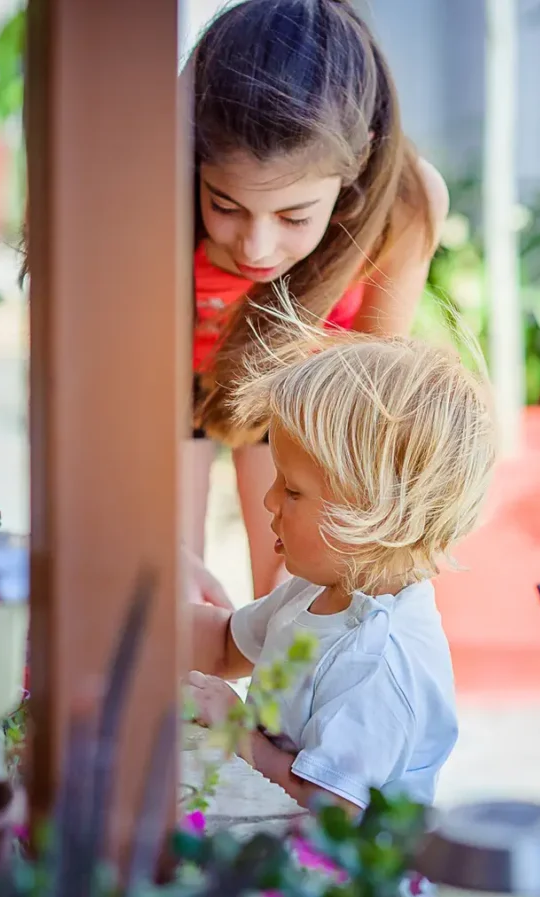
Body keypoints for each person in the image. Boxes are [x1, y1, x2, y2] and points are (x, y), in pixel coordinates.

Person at [182, 0, 450, 600]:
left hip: (299, 387)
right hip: (166, 378)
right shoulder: (150, 189)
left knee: (301, 581)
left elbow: (368, 393)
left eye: (293, 216)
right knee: (167, 576)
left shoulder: (405, 206)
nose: (256, 244)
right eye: (225, 205)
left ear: (356, 166)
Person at [185, 334, 497, 812]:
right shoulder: (318, 589)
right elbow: (227, 643)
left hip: (335, 872)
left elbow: (330, 808)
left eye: (291, 490)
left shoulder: (381, 661)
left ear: (373, 514)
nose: (269, 501)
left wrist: (235, 729)